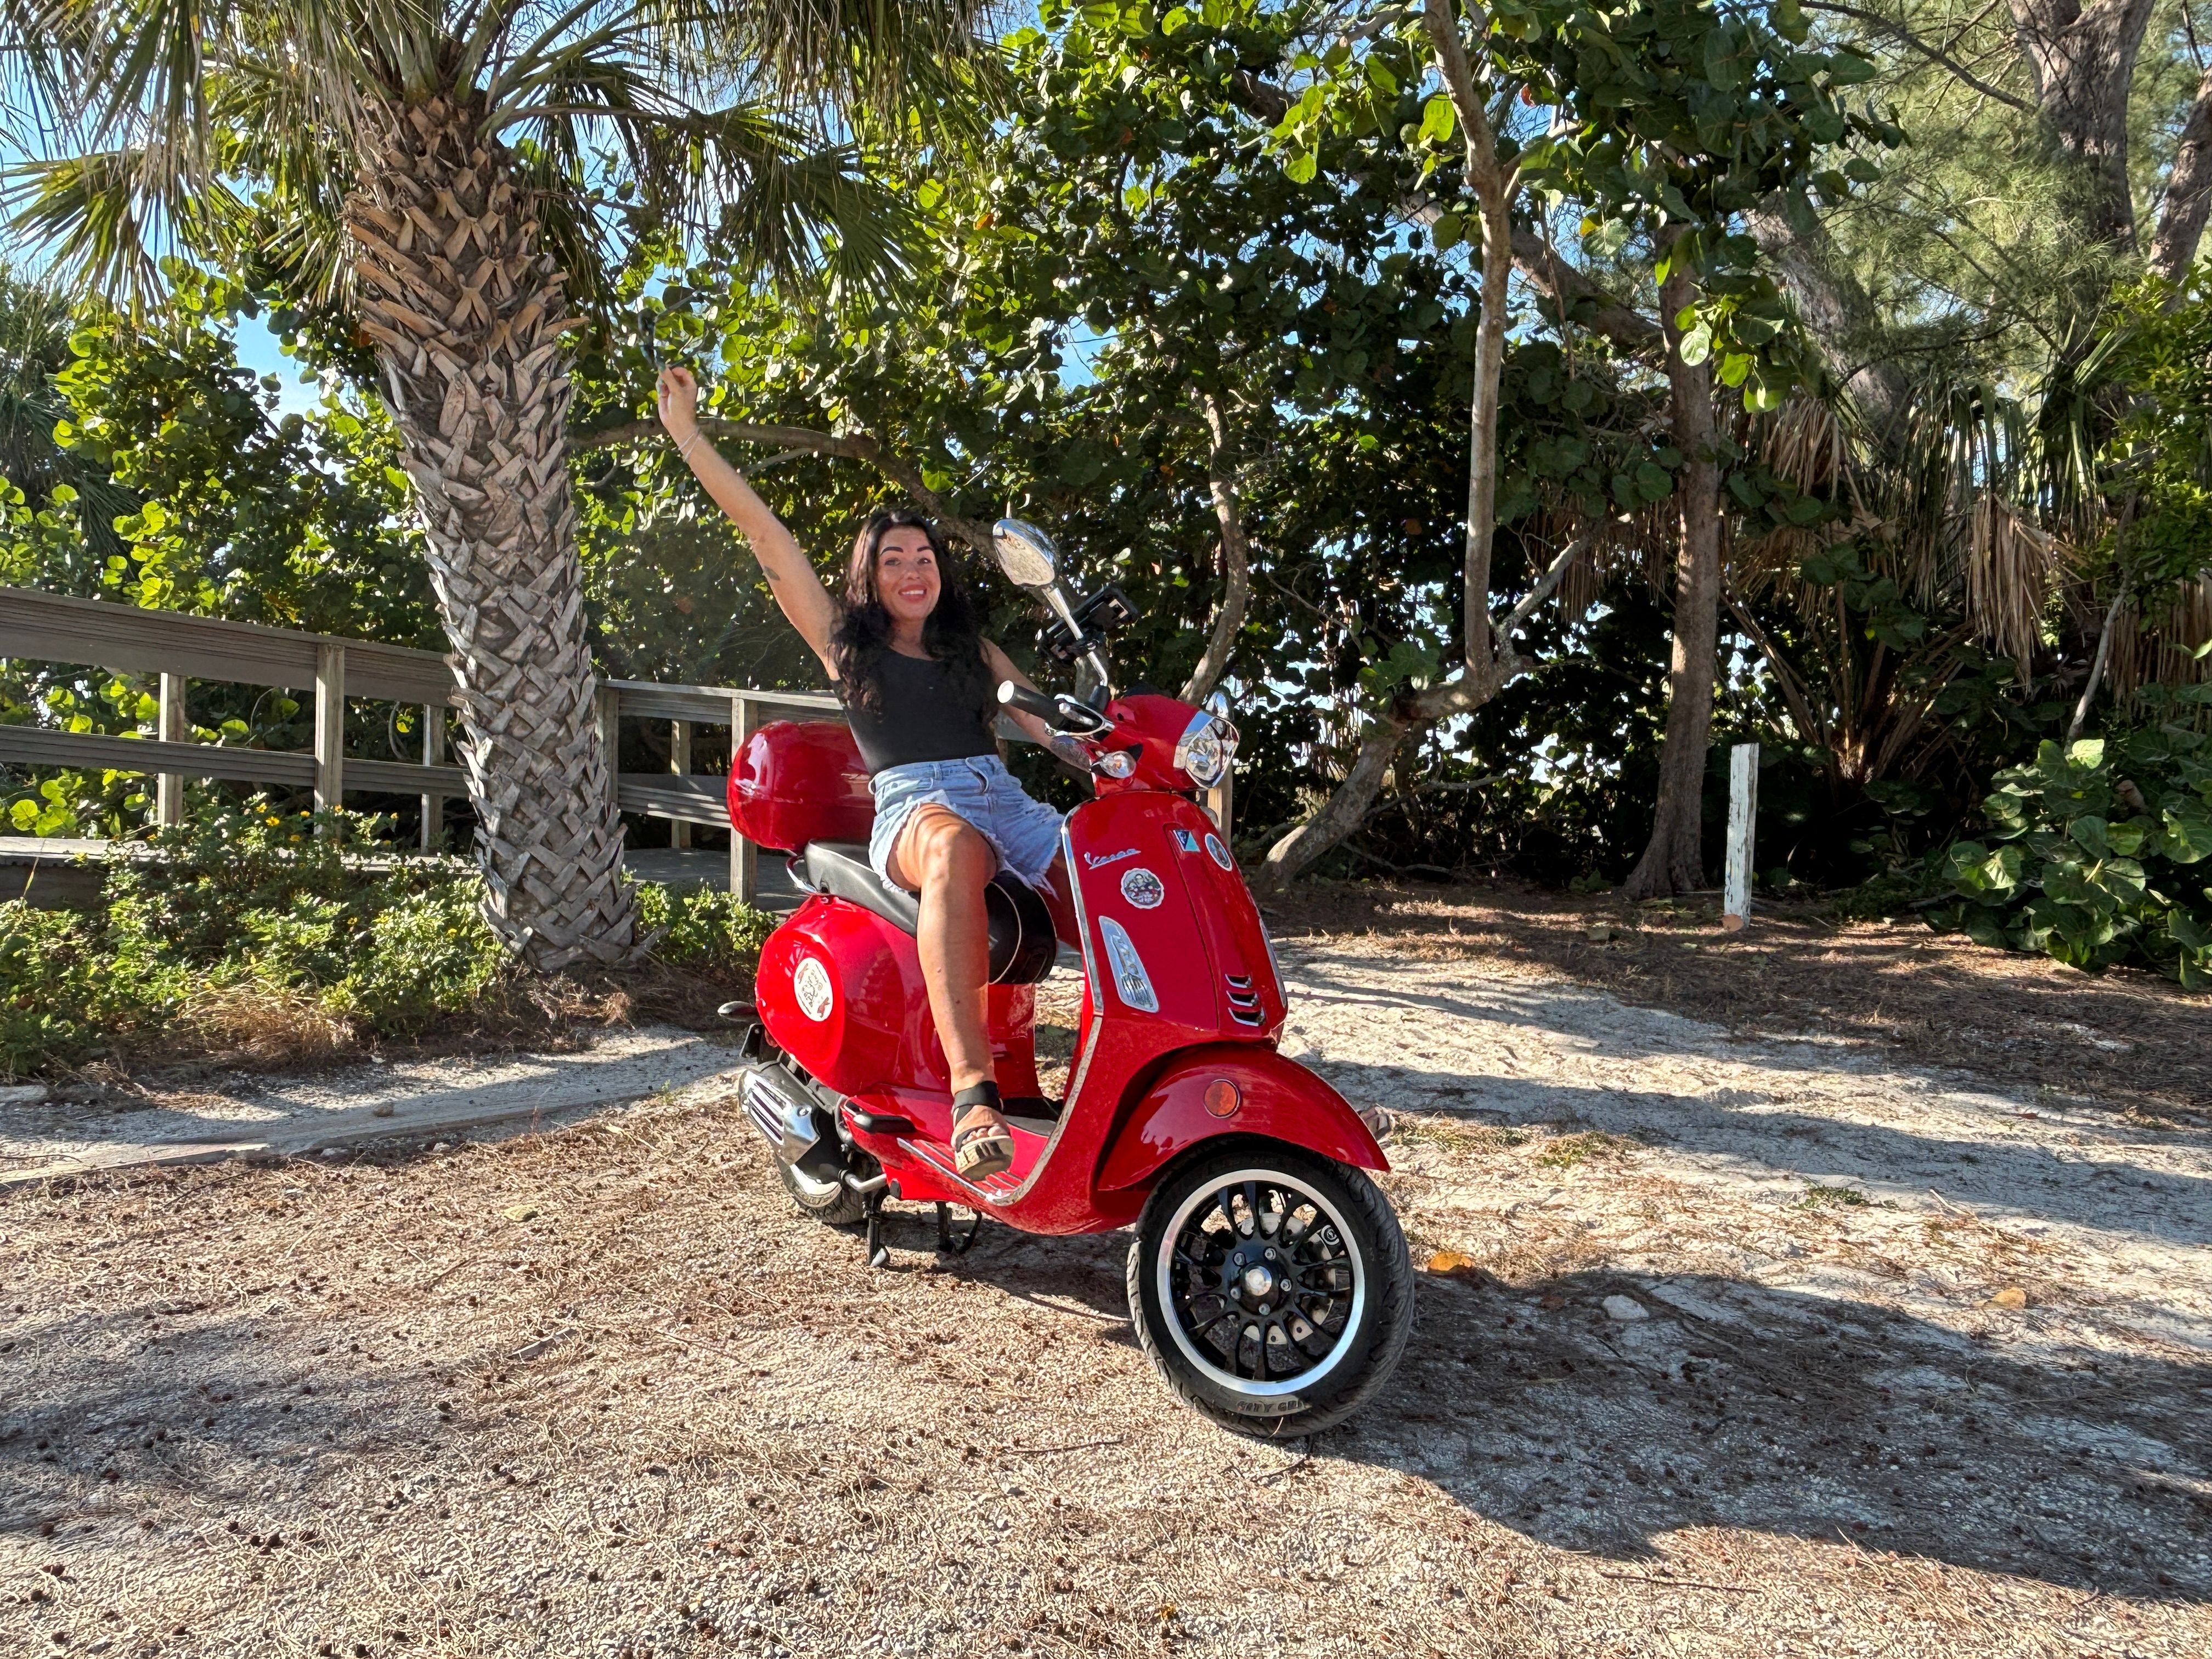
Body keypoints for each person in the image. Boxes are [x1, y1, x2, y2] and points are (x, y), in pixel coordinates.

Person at [656, 365, 1070, 1181]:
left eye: (925, 557)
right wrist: (690, 438)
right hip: (917, 807)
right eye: (893, 559)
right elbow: (767, 537)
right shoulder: (850, 648)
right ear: (871, 576)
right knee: (954, 854)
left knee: (1122, 867)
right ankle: (973, 1094)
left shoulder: (974, 653)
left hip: (1007, 798)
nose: (913, 570)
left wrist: (1121, 751)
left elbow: (1049, 728)